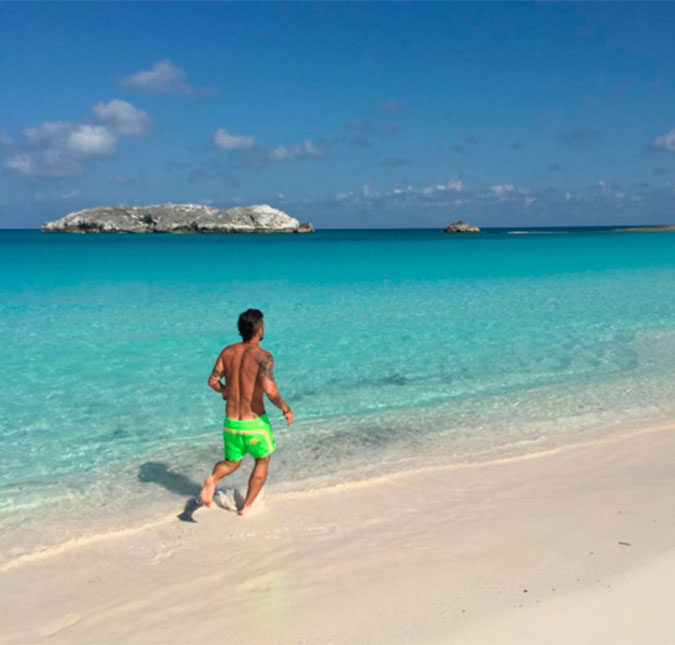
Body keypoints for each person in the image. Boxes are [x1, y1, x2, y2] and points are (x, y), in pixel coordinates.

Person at [200, 308, 294, 516]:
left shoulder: (227, 352)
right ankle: (247, 507)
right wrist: (286, 409)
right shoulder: (264, 357)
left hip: (232, 424)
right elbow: (270, 391)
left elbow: (213, 381)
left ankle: (213, 479)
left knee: (232, 462)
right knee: (262, 460)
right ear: (259, 330)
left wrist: (226, 391)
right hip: (255, 424)